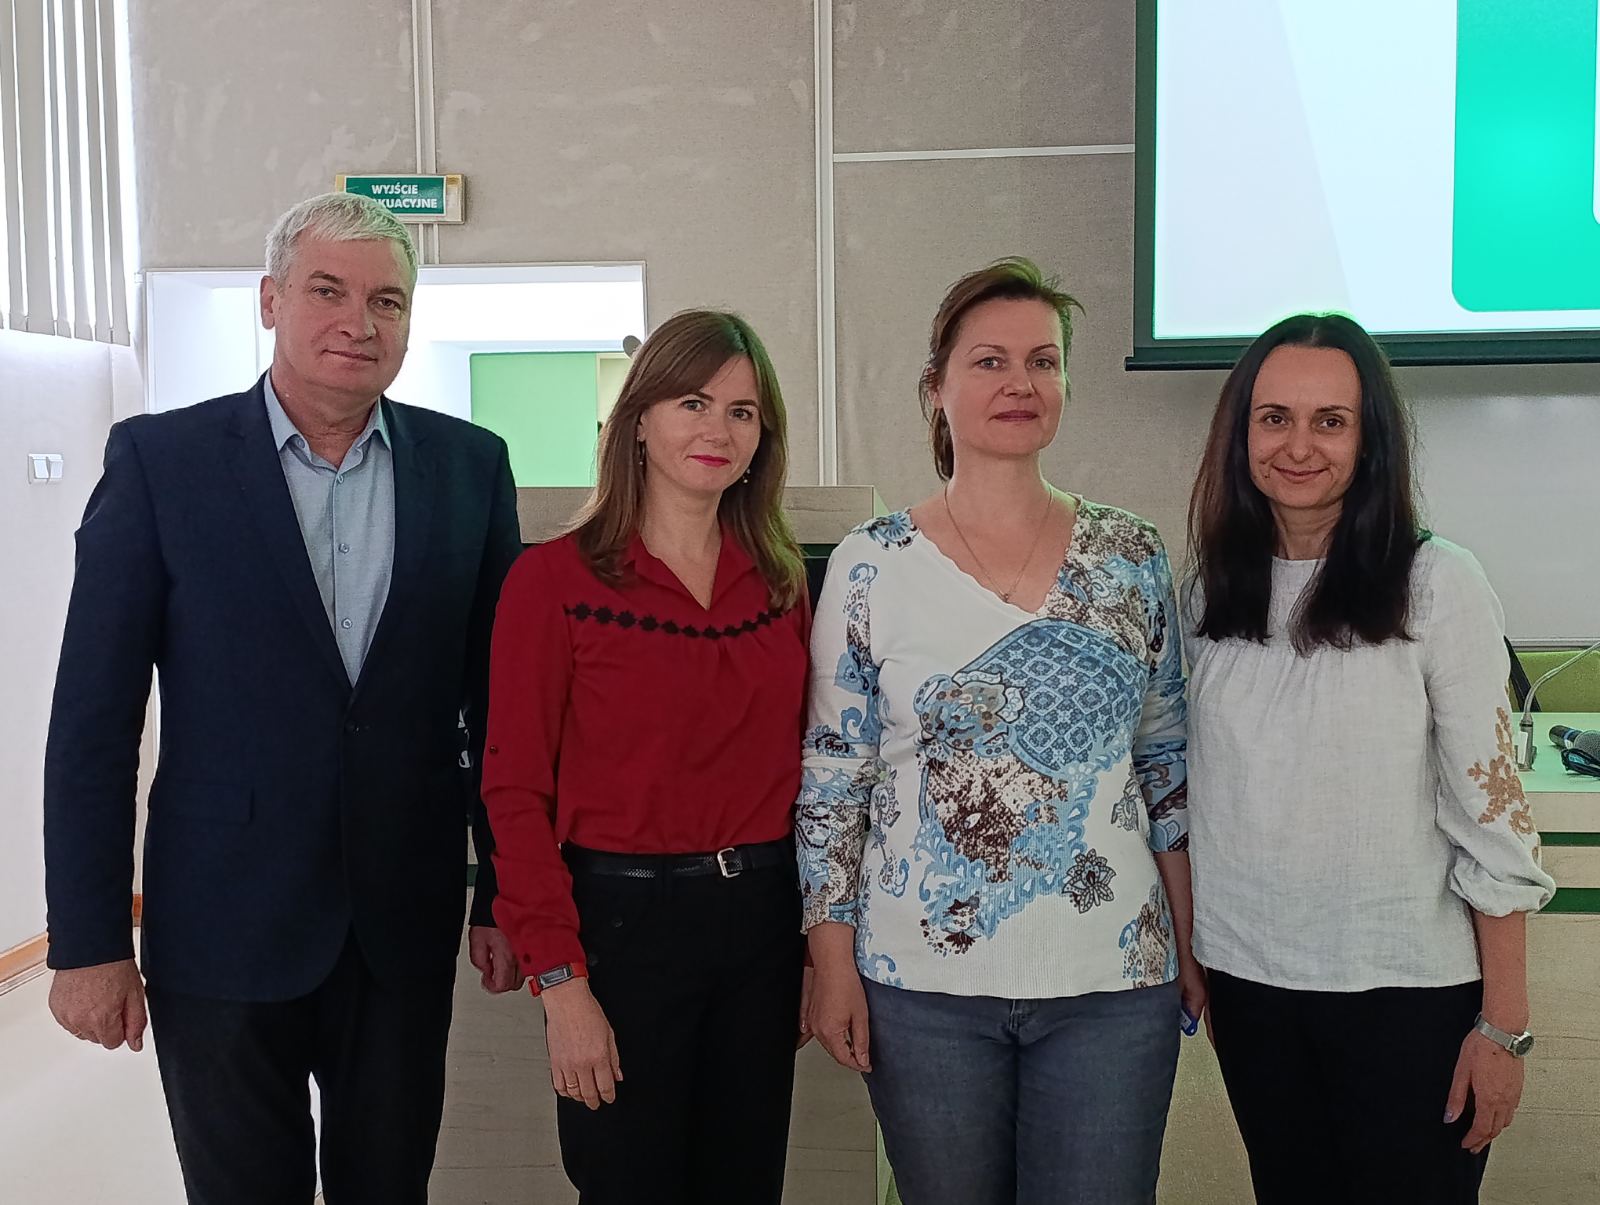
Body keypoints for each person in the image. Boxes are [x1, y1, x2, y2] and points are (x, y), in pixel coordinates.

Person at [42, 192, 525, 1205]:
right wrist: (90, 941)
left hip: (400, 921)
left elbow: (500, 707)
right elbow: (94, 720)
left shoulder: (469, 468)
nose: (360, 321)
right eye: (327, 291)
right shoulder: (161, 464)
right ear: (270, 300)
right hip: (220, 922)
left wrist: (502, 890)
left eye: (387, 300)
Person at [800, 258, 1205, 1205]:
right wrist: (831, 961)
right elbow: (834, 777)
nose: (1020, 383)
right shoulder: (871, 563)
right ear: (936, 388)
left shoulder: (1130, 553)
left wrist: (1191, 943)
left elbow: (1165, 765)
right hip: (920, 986)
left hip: (1112, 982)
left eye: (1043, 361)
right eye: (989, 361)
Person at [1183, 313, 1556, 1204]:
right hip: (1252, 989)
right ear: (1241, 434)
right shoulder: (1206, 594)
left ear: (1370, 439)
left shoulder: (1438, 582)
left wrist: (1504, 1026)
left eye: (1331, 421)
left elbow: (1493, 817)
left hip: (1408, 994)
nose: (1298, 445)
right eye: (1274, 418)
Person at [481, 309, 812, 1204]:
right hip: (619, 932)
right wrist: (561, 983)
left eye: (742, 412)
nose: (718, 430)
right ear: (638, 420)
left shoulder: (782, 584)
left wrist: (817, 947)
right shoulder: (552, 583)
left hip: (760, 924)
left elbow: (814, 778)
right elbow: (513, 793)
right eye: (692, 402)